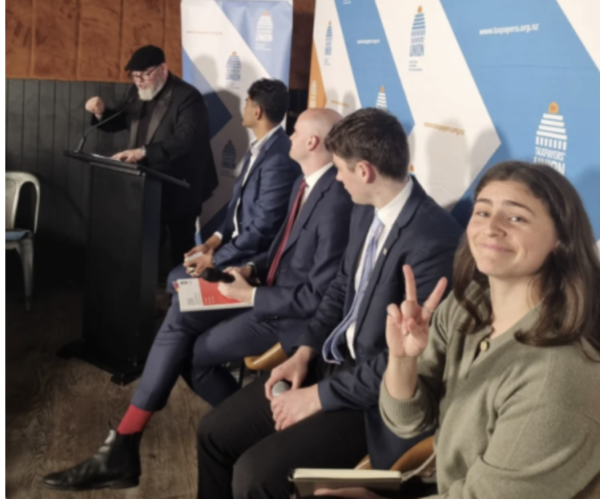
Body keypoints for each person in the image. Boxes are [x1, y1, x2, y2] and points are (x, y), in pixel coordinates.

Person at [40, 108, 340, 492]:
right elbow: (279, 249)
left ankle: (130, 444)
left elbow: (320, 297)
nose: (289, 137)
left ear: (312, 142)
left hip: (285, 316)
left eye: (295, 132)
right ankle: (126, 442)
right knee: (183, 306)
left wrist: (252, 293)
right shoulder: (304, 182)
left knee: (190, 354)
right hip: (261, 290)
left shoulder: (337, 199)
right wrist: (249, 268)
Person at [196, 108, 463, 499]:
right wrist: (304, 352)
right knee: (213, 433)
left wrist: (317, 397)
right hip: (327, 362)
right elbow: (340, 288)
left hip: (374, 398)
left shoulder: (434, 240)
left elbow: (408, 361)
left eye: (339, 169)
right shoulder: (364, 209)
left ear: (365, 171)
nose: (336, 178)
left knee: (253, 476)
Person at [317, 162, 600, 499]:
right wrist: (402, 360)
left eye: (516, 218)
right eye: (482, 212)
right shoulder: (468, 304)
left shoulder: (557, 378)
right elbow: (407, 421)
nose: (491, 228)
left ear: (560, 239)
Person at [84, 44, 218, 266]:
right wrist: (101, 113)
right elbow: (121, 120)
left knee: (182, 247)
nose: (139, 81)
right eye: (134, 75)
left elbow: (186, 139)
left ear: (163, 69)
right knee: (147, 246)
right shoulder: (136, 93)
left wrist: (142, 152)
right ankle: (149, 285)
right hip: (148, 184)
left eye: (145, 74)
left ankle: (181, 286)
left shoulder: (187, 97)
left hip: (181, 185)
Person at [182, 77, 301, 275]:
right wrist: (211, 244)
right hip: (234, 248)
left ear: (257, 111)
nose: (243, 109)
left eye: (246, 103)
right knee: (180, 274)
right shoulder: (260, 148)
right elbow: (238, 212)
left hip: (252, 259)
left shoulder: (278, 159)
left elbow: (263, 228)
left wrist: (215, 259)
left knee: (178, 279)